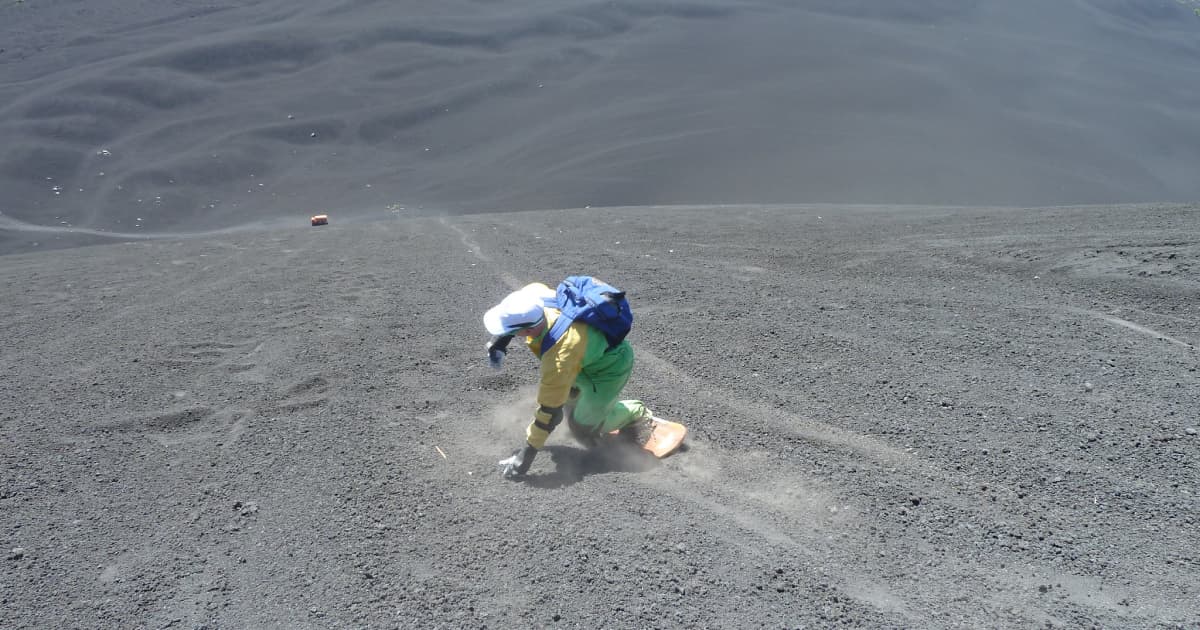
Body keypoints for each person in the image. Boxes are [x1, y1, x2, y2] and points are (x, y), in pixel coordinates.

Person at [483, 282, 654, 478]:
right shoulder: (536, 298)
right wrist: (500, 342)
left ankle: (635, 411)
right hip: (581, 361)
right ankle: (594, 408)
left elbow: (550, 411)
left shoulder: (560, 356)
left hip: (607, 369)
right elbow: (519, 315)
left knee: (582, 429)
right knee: (570, 405)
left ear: (528, 331)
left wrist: (528, 452)